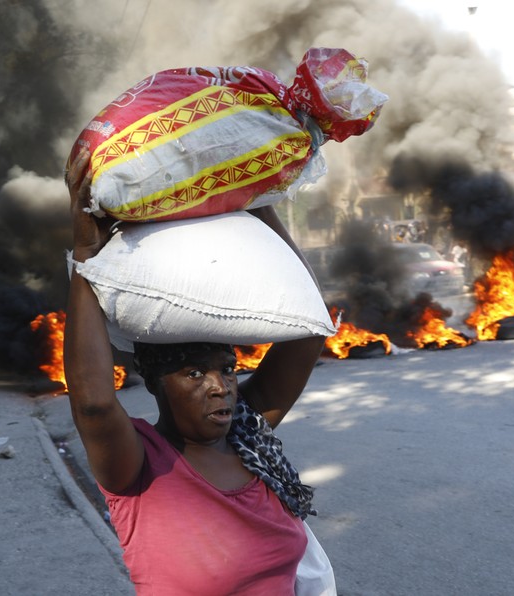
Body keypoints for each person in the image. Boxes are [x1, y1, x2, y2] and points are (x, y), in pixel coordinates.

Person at [63, 150, 328, 594]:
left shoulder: (247, 433)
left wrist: (259, 204)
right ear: (154, 383)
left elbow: (309, 327)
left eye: (226, 369)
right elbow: (92, 403)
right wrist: (88, 255)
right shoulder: (139, 464)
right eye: (193, 374)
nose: (220, 386)